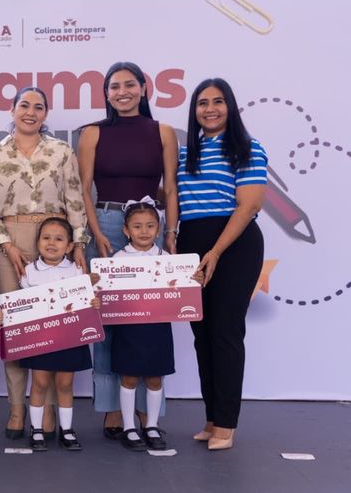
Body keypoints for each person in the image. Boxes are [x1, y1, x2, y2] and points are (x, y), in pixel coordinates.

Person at [0, 86, 88, 440]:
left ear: (45, 113)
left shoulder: (61, 151)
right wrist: (6, 244)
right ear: (12, 110)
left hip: (54, 239)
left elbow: (74, 198)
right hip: (9, 241)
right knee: (15, 328)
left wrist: (79, 244)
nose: (30, 112)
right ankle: (15, 408)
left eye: (38, 107)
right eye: (24, 105)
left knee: (54, 328)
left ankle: (50, 411)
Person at [77, 62, 179, 438]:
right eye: (114, 86)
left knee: (152, 317)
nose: (122, 92)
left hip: (151, 228)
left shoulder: (163, 132)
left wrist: (170, 232)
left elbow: (171, 187)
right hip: (105, 225)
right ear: (106, 93)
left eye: (129, 85)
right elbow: (84, 188)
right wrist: (94, 232)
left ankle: (148, 411)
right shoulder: (92, 133)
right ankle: (111, 408)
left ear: (143, 88)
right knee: (106, 318)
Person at [176, 78, 267, 451]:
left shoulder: (247, 148)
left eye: (217, 102)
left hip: (234, 244)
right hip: (192, 243)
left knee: (226, 333)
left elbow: (249, 206)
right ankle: (212, 417)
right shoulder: (186, 153)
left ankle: (227, 423)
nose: (209, 109)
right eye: (202, 103)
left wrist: (214, 251)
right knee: (202, 337)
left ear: (230, 106)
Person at [110, 198, 202, 451]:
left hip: (158, 328)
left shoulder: (168, 259)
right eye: (137, 226)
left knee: (154, 379)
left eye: (150, 226)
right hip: (129, 329)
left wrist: (194, 279)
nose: (144, 231)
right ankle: (129, 426)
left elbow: (184, 291)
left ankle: (151, 425)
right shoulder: (116, 260)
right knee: (128, 377)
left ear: (159, 229)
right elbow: (107, 294)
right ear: (126, 231)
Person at [18, 217, 99, 451]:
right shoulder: (28, 272)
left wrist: (92, 301)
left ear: (70, 246)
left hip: (69, 338)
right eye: (46, 238)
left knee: (65, 384)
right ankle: (37, 430)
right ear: (37, 242)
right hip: (40, 338)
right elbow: (21, 305)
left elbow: (85, 303)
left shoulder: (77, 271)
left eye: (59, 239)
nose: (51, 243)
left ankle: (67, 429)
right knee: (40, 382)